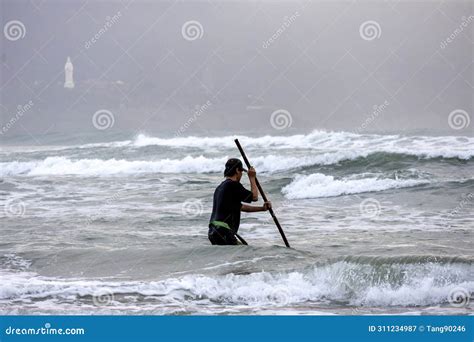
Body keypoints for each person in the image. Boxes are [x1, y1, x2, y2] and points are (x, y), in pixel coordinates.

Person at [208, 158, 271, 245]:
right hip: (223, 230)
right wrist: (252, 178)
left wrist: (262, 208)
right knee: (244, 254)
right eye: (241, 172)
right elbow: (254, 197)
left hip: (213, 231)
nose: (241, 174)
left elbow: (240, 207)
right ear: (237, 170)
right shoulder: (233, 185)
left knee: (240, 251)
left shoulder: (220, 188)